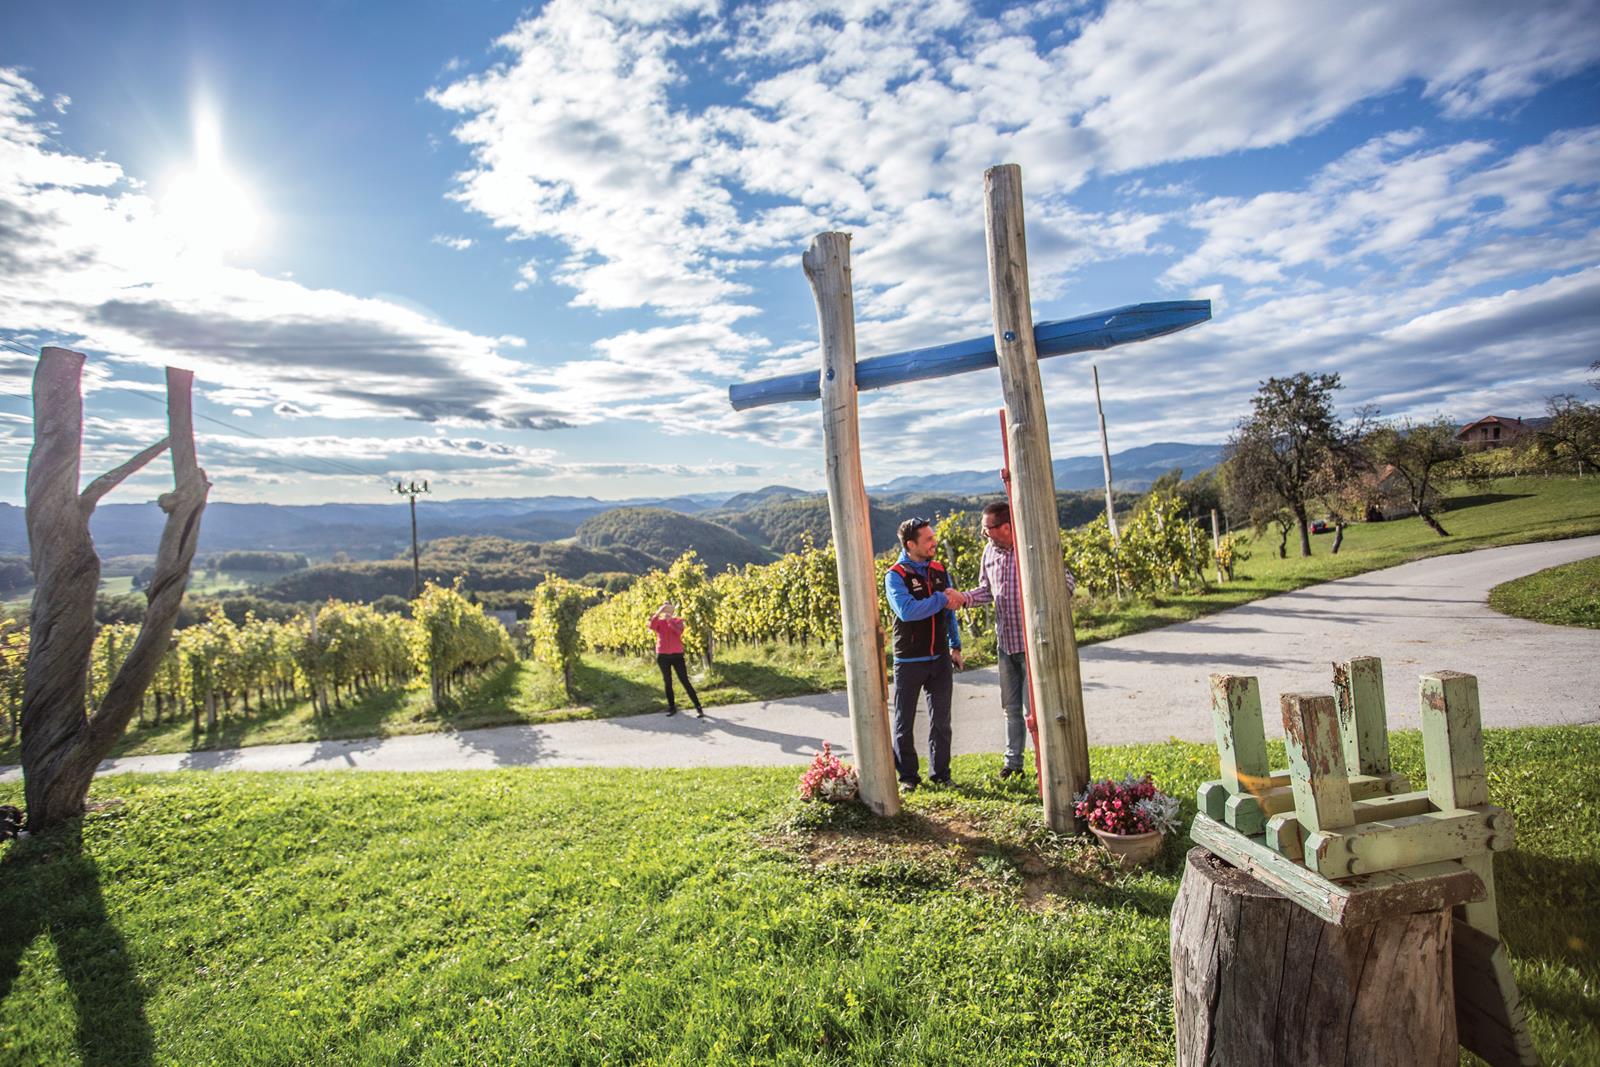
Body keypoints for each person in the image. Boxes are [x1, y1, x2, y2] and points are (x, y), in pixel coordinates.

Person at [959, 498, 1076, 780]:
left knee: (1032, 709)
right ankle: (1013, 765)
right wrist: (963, 598)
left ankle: (1044, 765)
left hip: (1033, 644)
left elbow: (1067, 584)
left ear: (1007, 527)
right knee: (1010, 708)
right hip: (1005, 642)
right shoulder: (990, 551)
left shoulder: (1032, 548)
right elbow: (987, 590)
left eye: (987, 528)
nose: (983, 533)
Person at [884, 517, 965, 789]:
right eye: (928, 539)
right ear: (910, 544)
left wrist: (955, 645)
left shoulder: (939, 569)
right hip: (908, 660)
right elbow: (907, 611)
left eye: (933, 537)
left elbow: (950, 611)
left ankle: (941, 775)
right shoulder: (896, 575)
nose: (934, 542)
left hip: (940, 658)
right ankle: (908, 777)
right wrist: (942, 598)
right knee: (904, 723)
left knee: (941, 721)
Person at [649, 602, 703, 718]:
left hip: (677, 655)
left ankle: (698, 707)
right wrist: (658, 612)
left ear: (673, 611)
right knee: (668, 682)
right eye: (665, 610)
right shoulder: (659, 621)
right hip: (663, 656)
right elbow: (651, 626)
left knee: (685, 681)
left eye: (669, 609)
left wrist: (670, 621)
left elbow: (678, 632)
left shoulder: (678, 621)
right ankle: (672, 707)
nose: (667, 612)